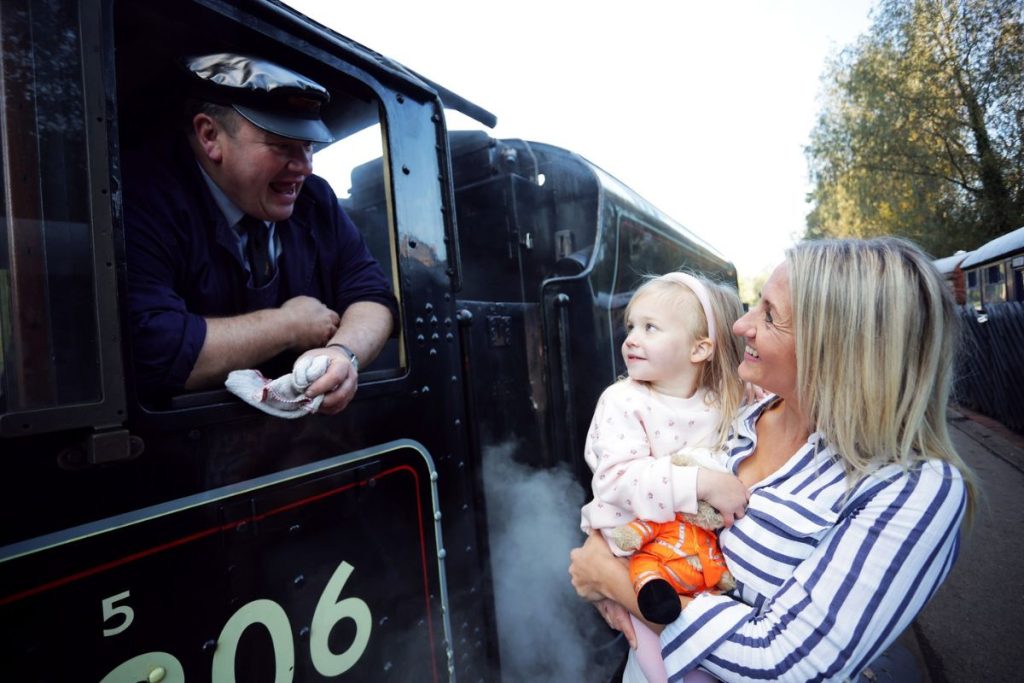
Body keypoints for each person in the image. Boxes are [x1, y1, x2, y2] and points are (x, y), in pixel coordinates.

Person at [569, 237, 978, 682]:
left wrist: (612, 579)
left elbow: (779, 665)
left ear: (837, 346)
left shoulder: (910, 487)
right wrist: (607, 543)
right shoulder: (739, 416)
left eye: (769, 315)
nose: (740, 325)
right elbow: (633, 492)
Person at [123, 53, 397, 413]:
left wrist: (342, 353)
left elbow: (372, 296)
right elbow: (153, 349)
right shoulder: (142, 197)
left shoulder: (316, 200)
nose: (305, 167)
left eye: (308, 146)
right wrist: (287, 325)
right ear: (210, 136)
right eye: (282, 145)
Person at [579, 272, 749, 683]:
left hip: (692, 556)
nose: (631, 339)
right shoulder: (622, 400)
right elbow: (616, 479)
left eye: (650, 328)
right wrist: (702, 483)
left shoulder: (721, 400)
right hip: (635, 552)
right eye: (631, 327)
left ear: (700, 348)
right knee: (660, 664)